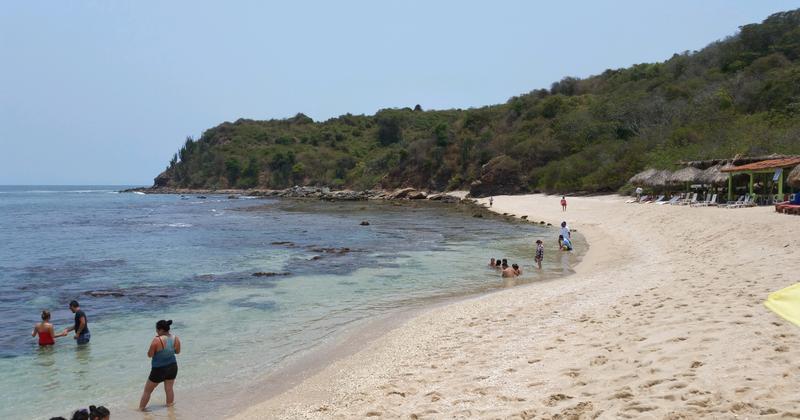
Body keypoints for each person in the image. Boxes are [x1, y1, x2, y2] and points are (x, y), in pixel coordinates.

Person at [139, 319, 181, 411]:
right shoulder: (175, 338)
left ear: (161, 330)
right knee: (169, 388)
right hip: (172, 366)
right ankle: (170, 408)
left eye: (157, 330)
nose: (156, 331)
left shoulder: (156, 340)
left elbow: (150, 355)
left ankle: (141, 409)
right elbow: (177, 352)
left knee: (147, 391)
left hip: (159, 369)